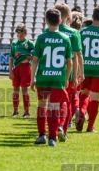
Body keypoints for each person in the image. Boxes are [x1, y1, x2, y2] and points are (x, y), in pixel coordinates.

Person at [31, 8, 73, 147]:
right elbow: (69, 62)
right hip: (58, 78)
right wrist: (66, 78)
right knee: (54, 107)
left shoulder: (41, 37)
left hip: (43, 77)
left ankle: (42, 134)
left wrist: (32, 78)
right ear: (60, 21)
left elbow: (35, 59)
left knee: (42, 105)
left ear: (46, 21)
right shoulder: (66, 38)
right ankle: (52, 138)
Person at [44, 3, 84, 141]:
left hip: (50, 72)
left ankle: (51, 130)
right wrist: (79, 73)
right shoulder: (74, 33)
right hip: (68, 73)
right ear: (68, 17)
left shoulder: (47, 31)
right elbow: (77, 55)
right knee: (67, 101)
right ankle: (62, 128)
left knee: (52, 103)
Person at [77, 6, 99, 133]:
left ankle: (81, 113)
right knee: (95, 97)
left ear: (92, 17)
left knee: (84, 93)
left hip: (84, 68)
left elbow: (78, 52)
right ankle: (90, 126)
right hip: (98, 69)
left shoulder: (82, 32)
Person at [9, 23, 34, 118]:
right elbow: (11, 58)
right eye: (18, 35)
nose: (19, 37)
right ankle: (15, 111)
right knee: (15, 90)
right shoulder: (14, 44)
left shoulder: (29, 43)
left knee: (24, 90)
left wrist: (27, 57)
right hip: (16, 68)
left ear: (26, 34)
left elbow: (35, 56)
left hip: (26, 67)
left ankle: (26, 112)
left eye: (21, 35)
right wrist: (10, 71)